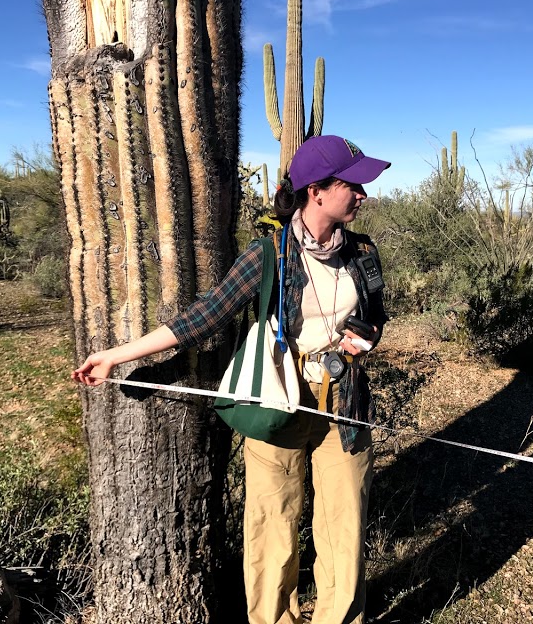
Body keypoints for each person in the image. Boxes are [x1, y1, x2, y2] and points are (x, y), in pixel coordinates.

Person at [73, 135, 390, 624]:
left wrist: (363, 337)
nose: (364, 194)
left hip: (345, 406)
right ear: (318, 192)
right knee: (272, 525)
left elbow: (376, 317)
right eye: (354, 185)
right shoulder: (270, 255)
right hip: (276, 401)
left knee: (344, 528)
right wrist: (117, 355)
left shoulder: (363, 252)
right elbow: (203, 318)